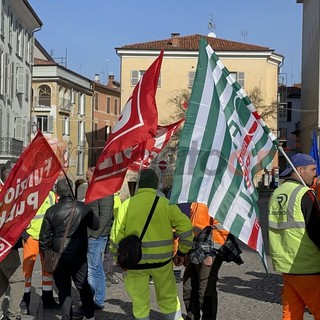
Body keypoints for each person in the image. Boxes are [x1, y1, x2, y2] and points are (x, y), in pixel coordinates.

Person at [110, 168, 193, 320]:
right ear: (155, 185)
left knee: (140, 304)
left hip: (136, 262)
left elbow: (116, 236)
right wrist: (182, 251)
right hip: (162, 263)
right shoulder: (166, 204)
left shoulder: (126, 205)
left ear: (140, 184)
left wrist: (118, 258)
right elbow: (186, 229)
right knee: (169, 301)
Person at [268, 153, 320, 319]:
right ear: (300, 170)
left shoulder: (277, 193)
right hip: (308, 265)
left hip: (286, 265)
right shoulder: (305, 193)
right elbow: (317, 231)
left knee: (291, 314)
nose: (315, 174)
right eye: (312, 169)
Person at [39, 178, 99, 320]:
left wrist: (47, 254)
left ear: (57, 193)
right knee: (83, 286)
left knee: (64, 290)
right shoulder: (83, 207)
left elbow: (43, 238)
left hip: (58, 255)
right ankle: (90, 316)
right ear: (72, 190)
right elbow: (95, 225)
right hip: (79, 254)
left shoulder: (51, 210)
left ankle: (67, 317)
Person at [183, 202, 229, 320]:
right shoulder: (195, 199)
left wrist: (211, 253)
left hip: (209, 250)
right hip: (193, 249)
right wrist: (183, 251)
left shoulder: (215, 198)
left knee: (205, 291)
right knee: (188, 288)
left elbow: (221, 229)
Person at [20, 190, 59, 315]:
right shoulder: (27, 195)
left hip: (46, 238)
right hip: (31, 237)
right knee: (27, 270)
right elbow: (19, 216)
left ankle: (47, 299)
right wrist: (25, 235)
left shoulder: (52, 195)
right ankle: (25, 299)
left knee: (47, 270)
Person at [85, 168, 114, 309]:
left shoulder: (105, 191)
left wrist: (94, 235)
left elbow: (105, 216)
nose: (87, 180)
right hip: (94, 235)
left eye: (88, 177)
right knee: (96, 268)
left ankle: (90, 300)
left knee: (92, 269)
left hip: (97, 236)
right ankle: (99, 300)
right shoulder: (95, 190)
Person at [0, 162, 24, 320]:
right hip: (6, 244)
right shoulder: (6, 194)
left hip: (8, 244)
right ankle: (14, 314)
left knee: (2, 280)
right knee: (18, 280)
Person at [104, 191, 121, 287]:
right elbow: (118, 216)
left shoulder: (108, 196)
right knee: (109, 252)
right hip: (112, 228)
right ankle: (106, 273)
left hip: (107, 227)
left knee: (108, 253)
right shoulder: (116, 199)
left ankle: (107, 272)